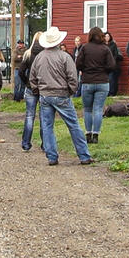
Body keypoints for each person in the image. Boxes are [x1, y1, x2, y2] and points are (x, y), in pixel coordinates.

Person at [29, 27, 92, 166]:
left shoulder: (39, 57)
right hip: (62, 94)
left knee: (47, 126)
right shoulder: (64, 56)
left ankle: (52, 157)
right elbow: (72, 77)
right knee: (73, 125)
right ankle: (84, 156)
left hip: (45, 95)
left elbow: (32, 78)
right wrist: (71, 91)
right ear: (58, 41)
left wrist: (37, 90)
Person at [77, 27, 114, 144]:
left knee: (87, 110)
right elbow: (112, 65)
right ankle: (96, 135)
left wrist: (85, 69)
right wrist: (104, 71)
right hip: (102, 81)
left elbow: (78, 64)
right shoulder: (105, 49)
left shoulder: (85, 48)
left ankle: (88, 134)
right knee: (98, 109)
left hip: (87, 81)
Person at [18, 31, 43, 152]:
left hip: (30, 88)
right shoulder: (45, 54)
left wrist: (26, 82)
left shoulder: (28, 54)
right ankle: (45, 144)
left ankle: (26, 143)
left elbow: (21, 71)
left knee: (29, 116)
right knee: (45, 117)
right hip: (44, 88)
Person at [103, 31, 122, 96]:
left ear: (110, 37)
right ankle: (106, 92)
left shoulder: (113, 44)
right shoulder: (102, 45)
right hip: (104, 65)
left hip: (112, 64)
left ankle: (112, 92)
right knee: (105, 79)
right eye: (105, 36)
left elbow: (115, 54)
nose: (107, 37)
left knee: (111, 79)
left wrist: (112, 61)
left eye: (108, 36)